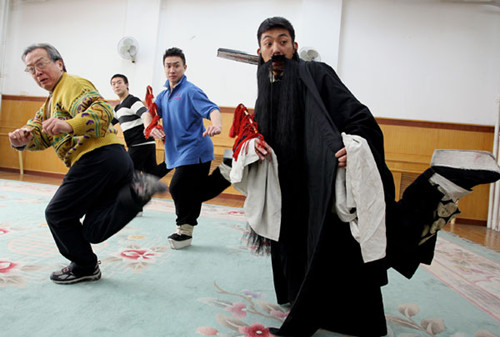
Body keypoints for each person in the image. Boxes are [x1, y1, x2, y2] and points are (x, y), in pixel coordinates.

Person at [236, 17, 500, 337]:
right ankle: (442, 184)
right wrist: (255, 145)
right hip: (295, 189)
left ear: (294, 46)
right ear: (260, 51)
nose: (276, 47)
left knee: (375, 238)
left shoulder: (316, 73)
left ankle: (442, 182)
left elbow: (359, 117)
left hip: (330, 182)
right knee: (332, 249)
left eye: (283, 40)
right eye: (268, 42)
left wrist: (355, 147)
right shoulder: (266, 86)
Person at [8, 43, 167, 285]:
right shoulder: (50, 102)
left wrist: (70, 125)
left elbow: (103, 112)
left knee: (58, 214)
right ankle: (136, 193)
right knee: (92, 229)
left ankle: (85, 266)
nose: (37, 72)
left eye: (41, 64)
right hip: (114, 159)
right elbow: (38, 133)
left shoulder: (71, 84)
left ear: (59, 63)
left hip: (96, 158)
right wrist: (22, 139)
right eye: (30, 69)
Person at [143, 47, 232, 250]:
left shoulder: (190, 91)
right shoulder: (164, 95)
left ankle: (183, 230)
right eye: (168, 66)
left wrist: (216, 124)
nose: (172, 69)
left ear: (184, 67)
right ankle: (227, 170)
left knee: (178, 187)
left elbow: (213, 109)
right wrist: (150, 126)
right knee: (193, 192)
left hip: (196, 149)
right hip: (177, 151)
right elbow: (149, 112)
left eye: (176, 65)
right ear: (164, 69)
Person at [111, 74, 169, 216]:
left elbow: (144, 114)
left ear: (127, 84)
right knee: (152, 173)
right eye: (113, 84)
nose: (116, 85)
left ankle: (135, 207)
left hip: (140, 144)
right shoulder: (118, 108)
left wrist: (148, 127)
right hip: (144, 144)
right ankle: (171, 162)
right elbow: (108, 124)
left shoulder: (133, 101)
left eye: (119, 82)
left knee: (128, 173)